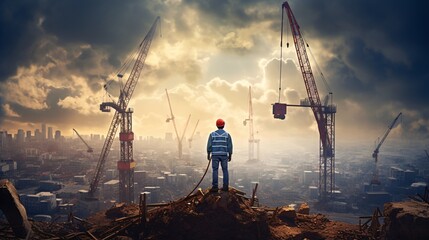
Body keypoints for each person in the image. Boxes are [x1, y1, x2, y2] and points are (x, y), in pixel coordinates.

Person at [207, 118, 233, 192]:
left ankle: (215, 187)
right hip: (224, 155)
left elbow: (209, 145)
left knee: (215, 170)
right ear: (223, 125)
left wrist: (208, 154)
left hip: (215, 155)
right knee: (225, 170)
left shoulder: (212, 134)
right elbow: (230, 146)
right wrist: (230, 155)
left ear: (216, 125)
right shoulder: (227, 135)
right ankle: (225, 186)